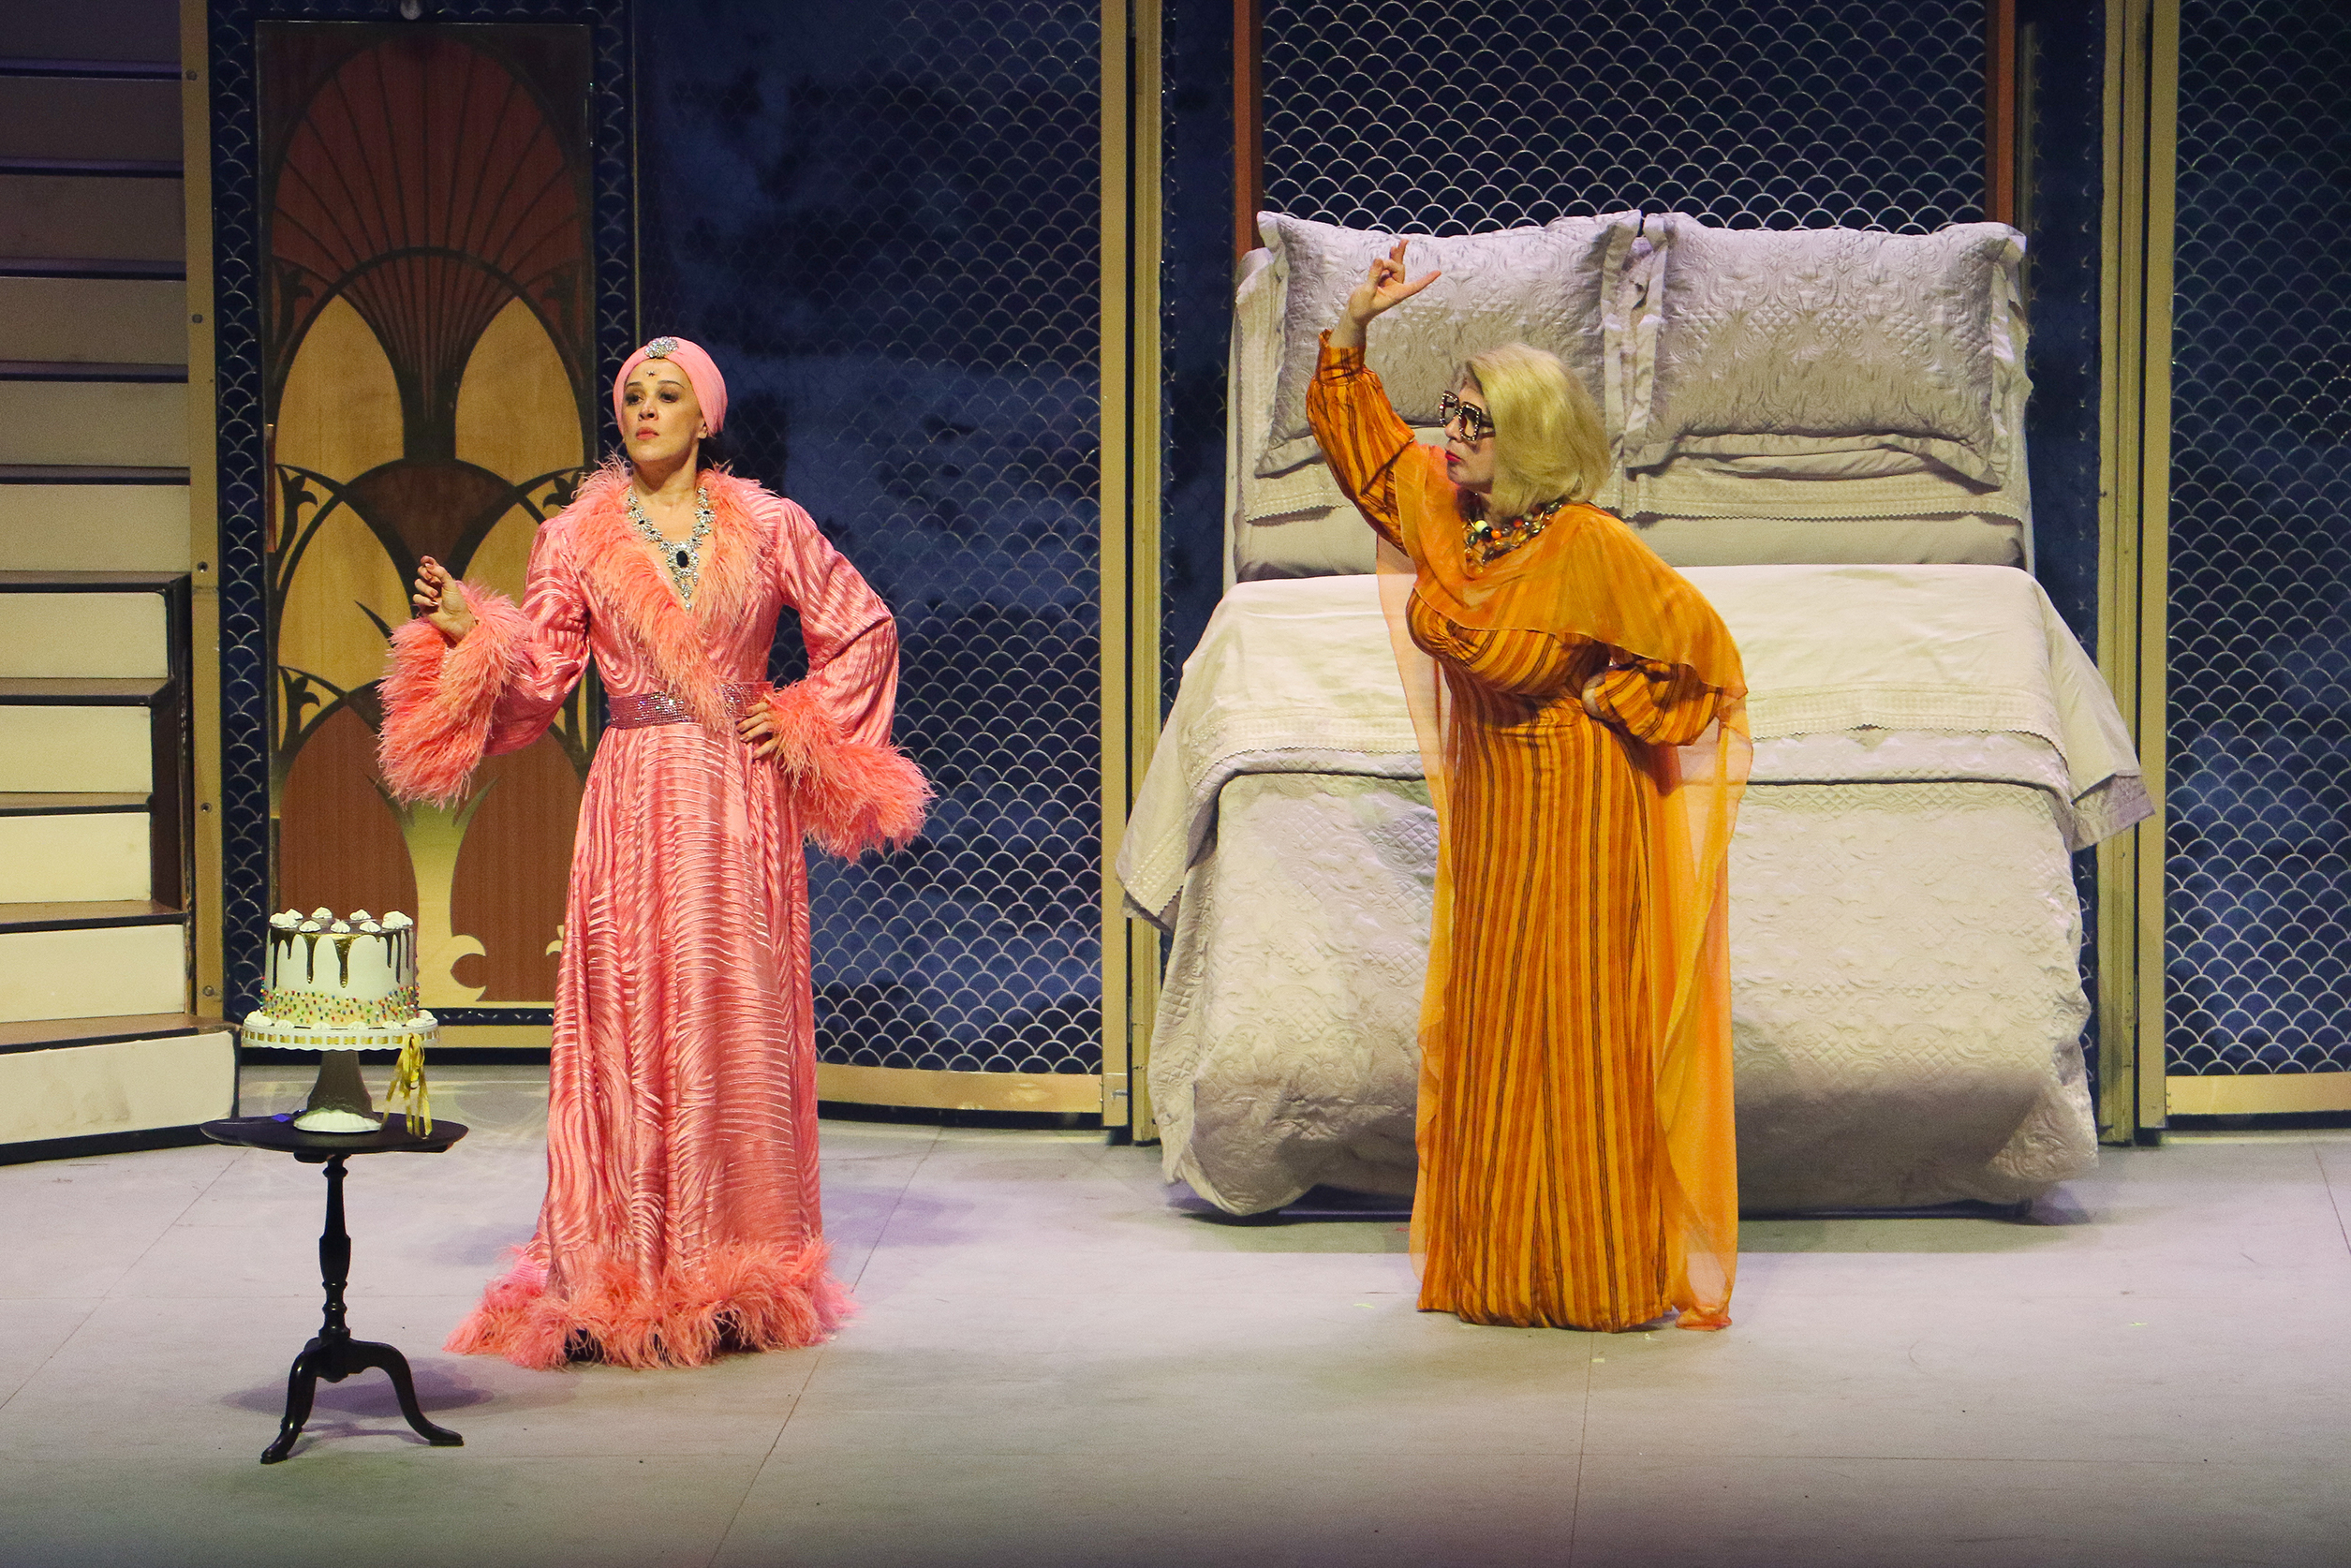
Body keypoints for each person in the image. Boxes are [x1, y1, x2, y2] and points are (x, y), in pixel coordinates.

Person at [378, 335, 927, 1368]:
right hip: (633, 795)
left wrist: (801, 719)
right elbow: (540, 679)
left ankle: (739, 1262)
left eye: (667, 394)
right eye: (632, 394)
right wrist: (467, 632)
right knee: (630, 1008)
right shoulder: (574, 538)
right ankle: (623, 1261)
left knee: (736, 1006)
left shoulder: (769, 524)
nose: (644, 409)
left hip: (736, 796)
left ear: (705, 416)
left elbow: (861, 628)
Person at [1308, 241, 1749, 1331]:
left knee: (1581, 1030)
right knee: (1496, 1027)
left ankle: (1595, 1274)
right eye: (1451, 412)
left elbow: (1704, 662)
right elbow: (1367, 453)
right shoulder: (1450, 524)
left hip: (1585, 808)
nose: (1449, 434)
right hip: (1498, 812)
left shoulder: (1586, 544)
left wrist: (1612, 699)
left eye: (1475, 421)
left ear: (1530, 441)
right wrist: (1353, 328)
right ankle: (1503, 1269)